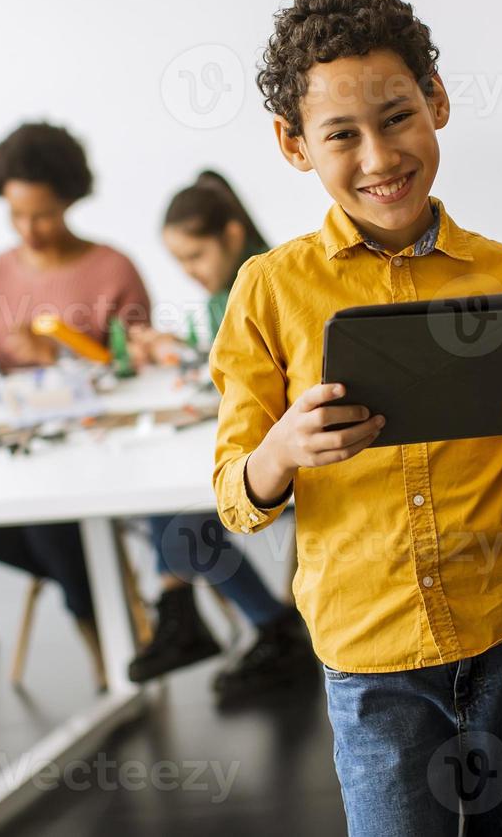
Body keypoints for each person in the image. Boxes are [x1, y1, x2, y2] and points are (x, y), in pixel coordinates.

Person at [211, 0, 502, 836]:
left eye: (397, 118)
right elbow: (235, 497)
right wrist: (279, 452)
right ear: (294, 144)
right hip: (372, 665)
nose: (380, 158)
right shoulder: (267, 292)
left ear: (437, 102)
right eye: (341, 135)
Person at [0, 121, 152, 691]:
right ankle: (105, 595)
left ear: (70, 199)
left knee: (52, 521)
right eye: (16, 215)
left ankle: (102, 637)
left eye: (42, 214)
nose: (29, 229)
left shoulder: (112, 268)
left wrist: (61, 351)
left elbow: (138, 365)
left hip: (96, 448)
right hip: (21, 447)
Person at [125, 170, 314, 704]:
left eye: (195, 257)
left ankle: (245, 622)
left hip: (291, 453)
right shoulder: (222, 292)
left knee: (177, 511)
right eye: (179, 262)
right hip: (255, 440)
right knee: (172, 507)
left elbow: (260, 384)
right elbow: (227, 371)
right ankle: (199, 614)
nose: (189, 273)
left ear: (230, 236)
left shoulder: (261, 283)